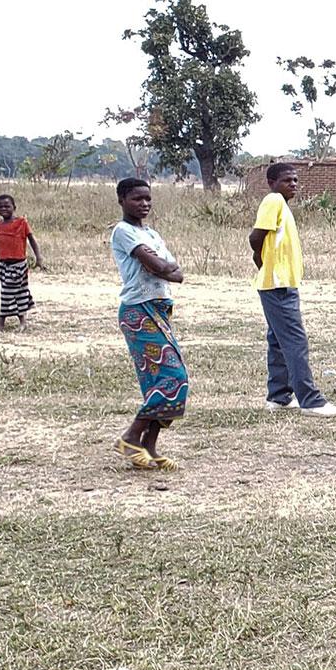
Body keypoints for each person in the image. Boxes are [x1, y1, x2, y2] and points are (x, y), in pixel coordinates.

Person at [250, 163, 336, 417]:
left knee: (278, 340)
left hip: (282, 283)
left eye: (295, 180)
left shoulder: (282, 206)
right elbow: (255, 237)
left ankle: (279, 396)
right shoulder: (273, 201)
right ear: (271, 182)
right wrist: (262, 262)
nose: (293, 184)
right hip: (277, 284)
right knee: (295, 341)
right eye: (286, 180)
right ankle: (310, 400)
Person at [110, 178, 187, 470]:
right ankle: (130, 437)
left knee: (157, 380)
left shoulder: (151, 234)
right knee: (173, 376)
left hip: (158, 307)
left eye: (148, 199)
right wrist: (164, 267)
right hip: (138, 310)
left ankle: (148, 446)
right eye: (136, 199)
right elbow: (160, 267)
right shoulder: (123, 232)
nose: (144, 204)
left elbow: (174, 270)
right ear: (121, 200)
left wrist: (165, 268)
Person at [0, 194, 40, 330]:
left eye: (7, 206)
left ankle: (3, 321)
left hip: (18, 265)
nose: (4, 208)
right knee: (15, 292)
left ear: (14, 207)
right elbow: (1, 246)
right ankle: (18, 321)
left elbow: (32, 240)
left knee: (10, 292)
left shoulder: (21, 223)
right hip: (3, 265)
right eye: (0, 206)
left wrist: (39, 258)